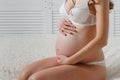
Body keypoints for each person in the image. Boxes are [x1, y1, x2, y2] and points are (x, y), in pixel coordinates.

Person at [18, 0, 114, 80]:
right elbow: (73, 17)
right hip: (66, 59)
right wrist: (60, 22)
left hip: (89, 65)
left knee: (36, 79)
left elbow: (102, 40)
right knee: (24, 75)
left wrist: (70, 61)